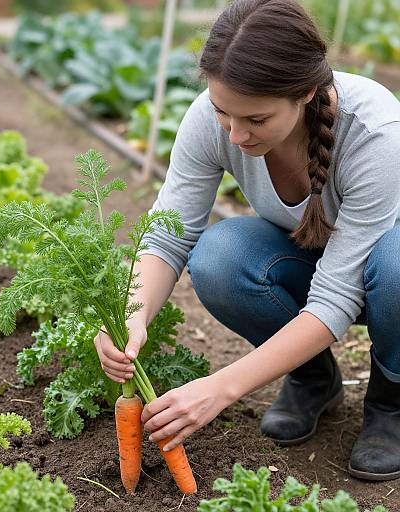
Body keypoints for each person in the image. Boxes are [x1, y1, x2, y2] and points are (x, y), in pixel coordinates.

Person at [94, 0, 400, 481]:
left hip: (385, 278)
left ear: (305, 94)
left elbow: (337, 295)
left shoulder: (376, 132)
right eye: (223, 113)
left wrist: (221, 388)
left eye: (256, 120)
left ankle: (392, 401)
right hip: (311, 266)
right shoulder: (212, 119)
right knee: (219, 257)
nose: (236, 134)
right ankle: (312, 378)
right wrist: (131, 313)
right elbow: (168, 236)